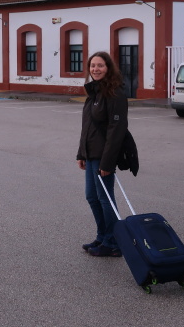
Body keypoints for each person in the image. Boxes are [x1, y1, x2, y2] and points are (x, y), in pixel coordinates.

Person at [76, 51, 128, 257]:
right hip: (90, 154)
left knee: (105, 199)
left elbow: (117, 130)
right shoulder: (94, 92)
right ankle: (103, 236)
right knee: (92, 197)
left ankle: (113, 242)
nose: (95, 69)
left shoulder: (114, 93)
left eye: (100, 65)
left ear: (108, 68)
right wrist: (81, 153)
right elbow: (87, 127)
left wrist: (107, 163)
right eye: (93, 65)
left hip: (103, 157)